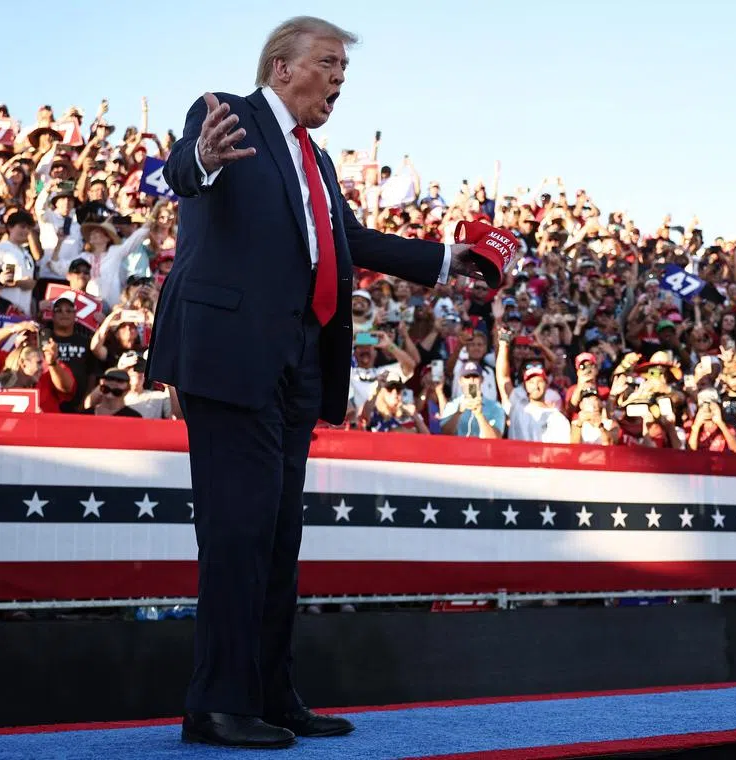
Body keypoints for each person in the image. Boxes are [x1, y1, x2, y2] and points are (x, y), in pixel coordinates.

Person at [146, 16, 484, 749]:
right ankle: (217, 705)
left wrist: (451, 258)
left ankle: (270, 695)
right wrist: (201, 161)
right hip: (230, 353)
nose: (338, 79)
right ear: (281, 66)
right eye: (327, 63)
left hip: (298, 359)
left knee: (276, 536)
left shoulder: (317, 160)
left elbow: (348, 241)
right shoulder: (221, 115)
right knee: (237, 534)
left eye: (344, 70)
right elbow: (182, 174)